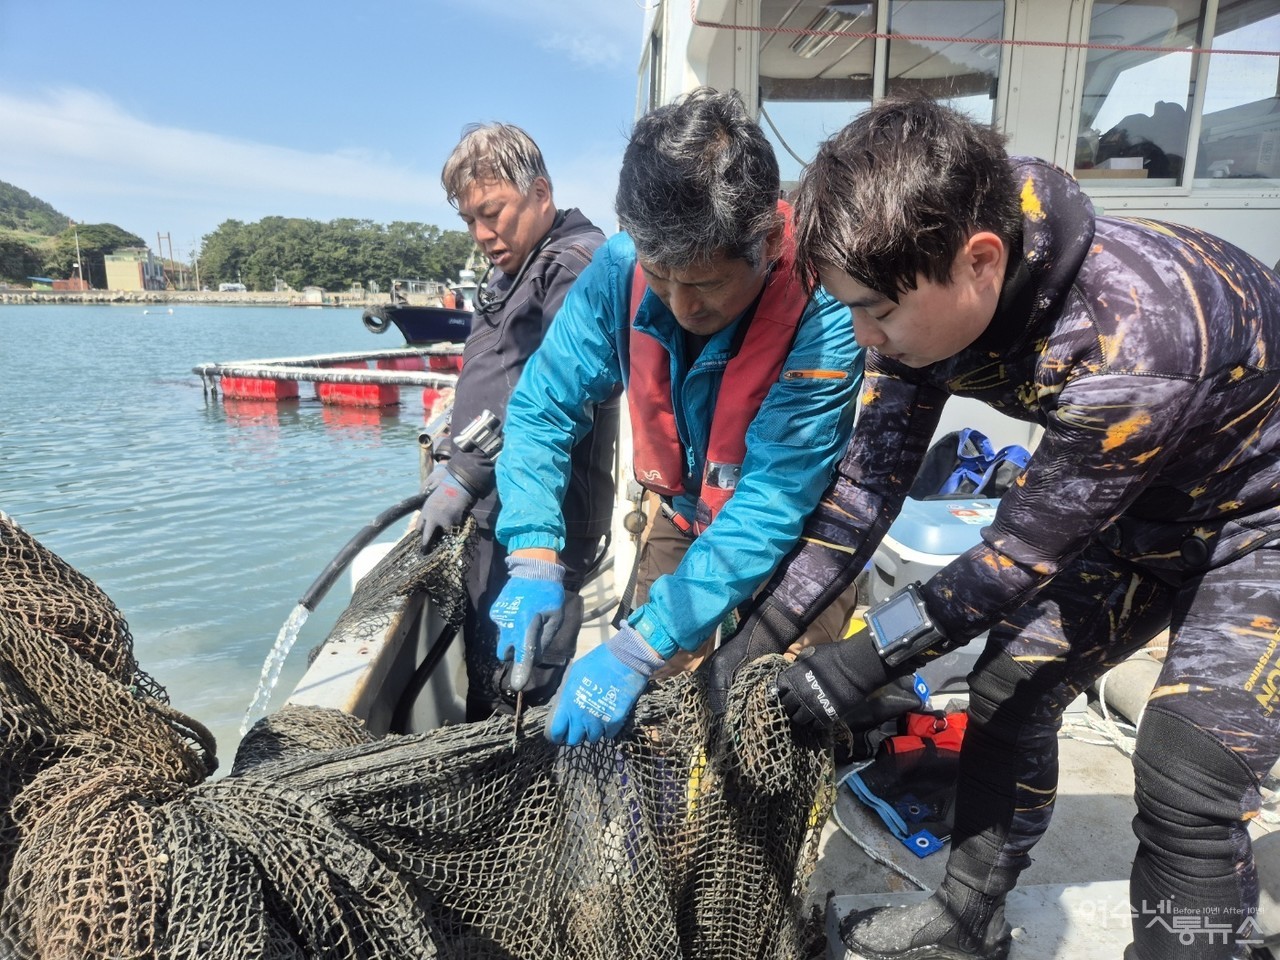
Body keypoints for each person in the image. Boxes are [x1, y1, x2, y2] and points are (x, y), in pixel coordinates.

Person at [712, 95, 1280, 960]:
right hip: (1130, 503)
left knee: (1188, 773)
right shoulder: (921, 282)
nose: (865, 336)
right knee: (1008, 688)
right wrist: (751, 646)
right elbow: (862, 494)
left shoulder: (1131, 342)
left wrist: (848, 669)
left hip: (1255, 523)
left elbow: (1011, 561)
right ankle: (969, 916)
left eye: (875, 311)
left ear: (980, 261)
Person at [488, 87, 864, 746]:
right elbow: (542, 406)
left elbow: (774, 500)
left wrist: (644, 644)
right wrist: (532, 551)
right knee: (652, 726)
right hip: (684, 515)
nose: (683, 307)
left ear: (768, 239)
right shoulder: (617, 268)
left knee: (771, 728)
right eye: (661, 278)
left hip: (798, 537)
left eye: (707, 283)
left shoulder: (826, 301)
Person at [419, 122, 618, 721]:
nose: (482, 234)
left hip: (548, 516)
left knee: (519, 684)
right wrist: (454, 457)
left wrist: (465, 473)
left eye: (493, 212)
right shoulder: (516, 266)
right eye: (470, 221)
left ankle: (518, 772)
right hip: (494, 504)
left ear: (540, 192)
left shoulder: (576, 264)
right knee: (487, 671)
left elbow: (549, 395)